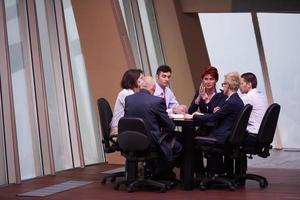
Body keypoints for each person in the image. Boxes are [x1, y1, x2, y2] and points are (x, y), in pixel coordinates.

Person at [124, 76, 182, 178]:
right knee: (178, 147)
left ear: (140, 86)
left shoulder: (129, 99)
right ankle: (160, 174)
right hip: (151, 143)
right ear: (154, 88)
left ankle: (154, 173)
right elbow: (170, 126)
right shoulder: (157, 101)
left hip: (131, 141)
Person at [185, 72, 244, 144]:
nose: (223, 86)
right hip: (225, 135)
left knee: (189, 140)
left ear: (228, 85)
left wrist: (194, 116)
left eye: (224, 84)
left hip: (220, 136)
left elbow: (213, 117)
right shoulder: (236, 100)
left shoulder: (230, 102)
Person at [110, 69, 144, 138]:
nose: (144, 80)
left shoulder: (136, 94)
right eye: (141, 78)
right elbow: (136, 110)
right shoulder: (125, 93)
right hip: (119, 131)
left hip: (128, 129)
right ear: (134, 80)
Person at [240, 72, 268, 144]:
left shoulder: (249, 97)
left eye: (241, 83)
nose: (239, 86)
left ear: (249, 85)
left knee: (226, 135)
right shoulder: (261, 95)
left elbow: (234, 106)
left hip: (253, 135)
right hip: (263, 134)